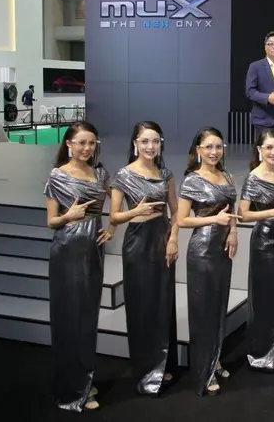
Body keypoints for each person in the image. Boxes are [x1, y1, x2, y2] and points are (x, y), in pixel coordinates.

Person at [44, 121, 114, 412]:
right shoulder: (58, 175)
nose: (87, 148)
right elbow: (51, 222)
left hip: (93, 251)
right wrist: (68, 216)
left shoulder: (100, 173)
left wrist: (112, 226)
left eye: (91, 143)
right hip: (67, 251)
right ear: (69, 143)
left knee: (87, 319)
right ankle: (71, 389)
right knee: (68, 319)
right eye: (81, 142)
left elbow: (118, 201)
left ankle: (85, 380)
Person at [109, 121, 178, 396]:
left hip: (162, 240)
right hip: (137, 242)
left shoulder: (166, 174)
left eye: (156, 141)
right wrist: (135, 212)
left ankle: (162, 365)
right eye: (145, 141)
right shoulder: (124, 175)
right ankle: (145, 370)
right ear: (135, 143)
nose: (151, 146)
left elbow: (175, 211)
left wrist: (173, 239)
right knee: (140, 305)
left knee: (162, 302)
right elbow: (115, 216)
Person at [177, 127, 239, 396]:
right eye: (209, 147)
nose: (214, 152)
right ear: (198, 150)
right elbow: (182, 220)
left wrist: (233, 231)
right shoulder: (192, 180)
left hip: (223, 249)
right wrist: (215, 219)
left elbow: (232, 210)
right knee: (203, 311)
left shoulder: (227, 175)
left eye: (218, 147)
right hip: (202, 250)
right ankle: (203, 370)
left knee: (218, 306)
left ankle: (215, 360)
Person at [239, 129, 274, 373]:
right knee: (263, 298)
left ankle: (273, 347)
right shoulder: (253, 178)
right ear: (259, 150)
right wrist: (273, 213)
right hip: (264, 242)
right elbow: (243, 214)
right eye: (269, 147)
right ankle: (260, 354)